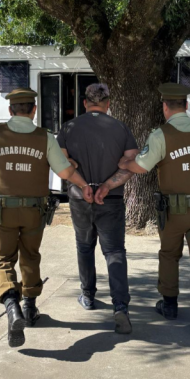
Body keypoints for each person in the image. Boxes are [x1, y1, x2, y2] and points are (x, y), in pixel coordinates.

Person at [0, 87, 92, 348]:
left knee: (3, 259)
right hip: (35, 210)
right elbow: (65, 172)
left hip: (2, 209)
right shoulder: (45, 137)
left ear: (10, 110)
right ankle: (30, 307)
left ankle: (11, 305)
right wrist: (85, 185)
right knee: (30, 256)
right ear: (34, 110)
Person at [119, 82, 190, 347]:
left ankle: (169, 304)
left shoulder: (161, 134)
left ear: (165, 106)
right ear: (187, 105)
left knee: (169, 254)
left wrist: (124, 162)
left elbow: (142, 166)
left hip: (174, 211)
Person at [57, 83, 138, 334]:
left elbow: (60, 162)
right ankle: (121, 307)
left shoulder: (69, 128)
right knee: (114, 251)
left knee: (84, 246)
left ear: (85, 103)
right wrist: (107, 185)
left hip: (80, 197)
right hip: (110, 198)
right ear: (108, 104)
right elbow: (131, 164)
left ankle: (88, 295)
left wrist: (83, 184)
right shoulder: (121, 128)